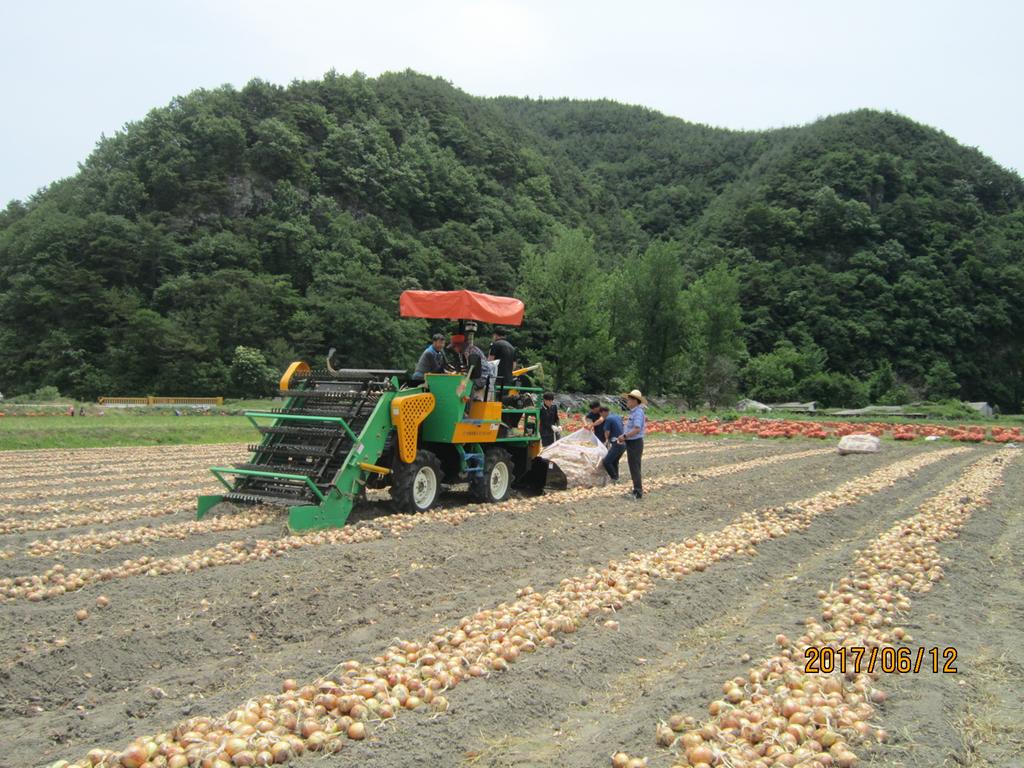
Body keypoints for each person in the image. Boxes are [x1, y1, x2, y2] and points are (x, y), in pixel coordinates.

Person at [616, 389, 647, 500]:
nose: (627, 401)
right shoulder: (634, 412)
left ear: (635, 401)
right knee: (633, 466)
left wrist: (624, 436)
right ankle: (636, 490)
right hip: (632, 442)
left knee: (635, 467)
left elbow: (637, 429)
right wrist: (625, 437)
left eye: (629, 399)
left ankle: (637, 492)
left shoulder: (638, 412)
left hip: (635, 443)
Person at [600, 406, 626, 481]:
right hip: (624, 443)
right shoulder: (616, 416)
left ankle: (614, 478)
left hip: (617, 443)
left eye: (601, 415)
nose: (602, 417)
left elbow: (607, 432)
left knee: (606, 462)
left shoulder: (608, 419)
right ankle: (617, 477)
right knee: (614, 461)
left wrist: (606, 441)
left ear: (603, 412)